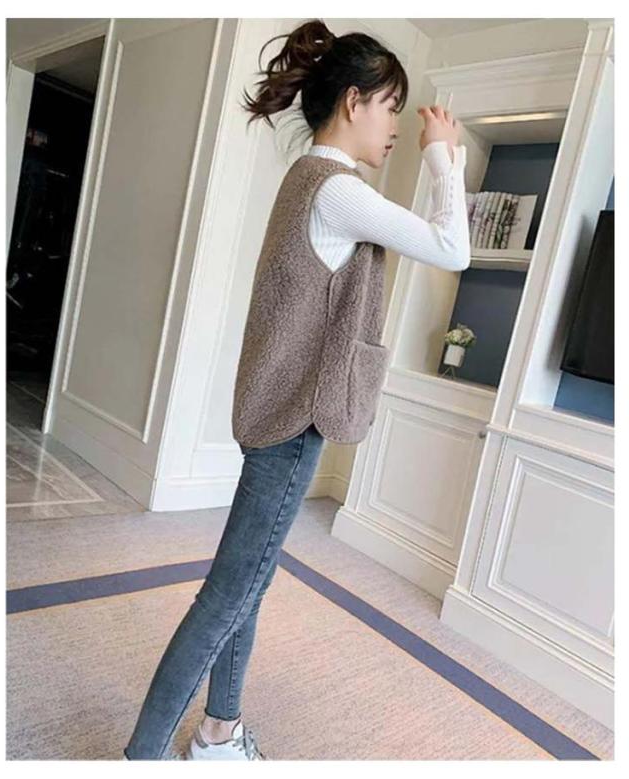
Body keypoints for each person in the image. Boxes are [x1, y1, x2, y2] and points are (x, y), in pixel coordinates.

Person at [123, 18, 469, 761]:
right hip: (292, 419)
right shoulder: (337, 191)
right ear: (354, 101)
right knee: (228, 594)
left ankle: (219, 731)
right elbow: (453, 248)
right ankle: (140, 758)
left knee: (247, 582)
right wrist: (444, 156)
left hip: (277, 408)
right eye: (391, 109)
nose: (396, 128)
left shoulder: (306, 178)